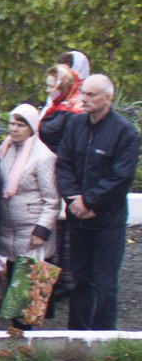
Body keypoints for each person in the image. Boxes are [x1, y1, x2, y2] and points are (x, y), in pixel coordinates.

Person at [53, 74, 136, 330]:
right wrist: (74, 201)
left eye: (90, 95)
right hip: (78, 219)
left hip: (108, 222)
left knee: (105, 284)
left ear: (107, 98)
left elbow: (121, 177)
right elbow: (63, 165)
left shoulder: (125, 133)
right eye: (82, 93)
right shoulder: (75, 125)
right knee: (79, 281)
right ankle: (77, 337)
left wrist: (89, 202)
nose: (83, 99)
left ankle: (104, 341)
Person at [0, 103, 59, 264]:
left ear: (31, 128)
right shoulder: (4, 150)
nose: (14, 129)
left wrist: (41, 231)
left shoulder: (43, 156)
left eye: (21, 125)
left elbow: (52, 200)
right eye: (12, 124)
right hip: (4, 233)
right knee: (2, 286)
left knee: (27, 287)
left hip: (31, 234)